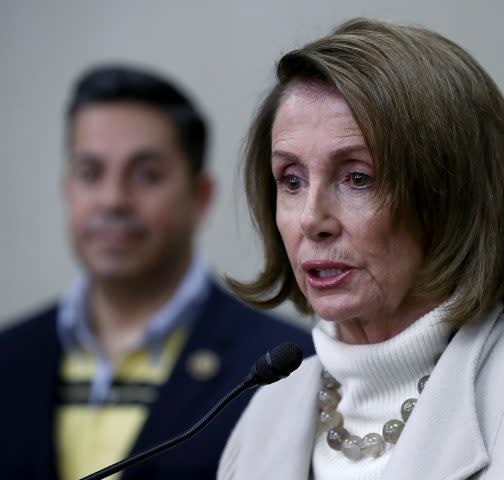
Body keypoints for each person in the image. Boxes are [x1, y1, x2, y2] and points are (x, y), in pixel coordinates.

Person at [217, 18, 504, 479]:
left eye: (358, 177)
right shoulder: (264, 413)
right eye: (291, 180)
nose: (312, 219)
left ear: (451, 195)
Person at [0, 64, 314, 480]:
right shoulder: (9, 358)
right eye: (90, 173)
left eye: (147, 175)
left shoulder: (282, 369)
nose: (113, 200)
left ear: (200, 197)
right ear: (67, 189)